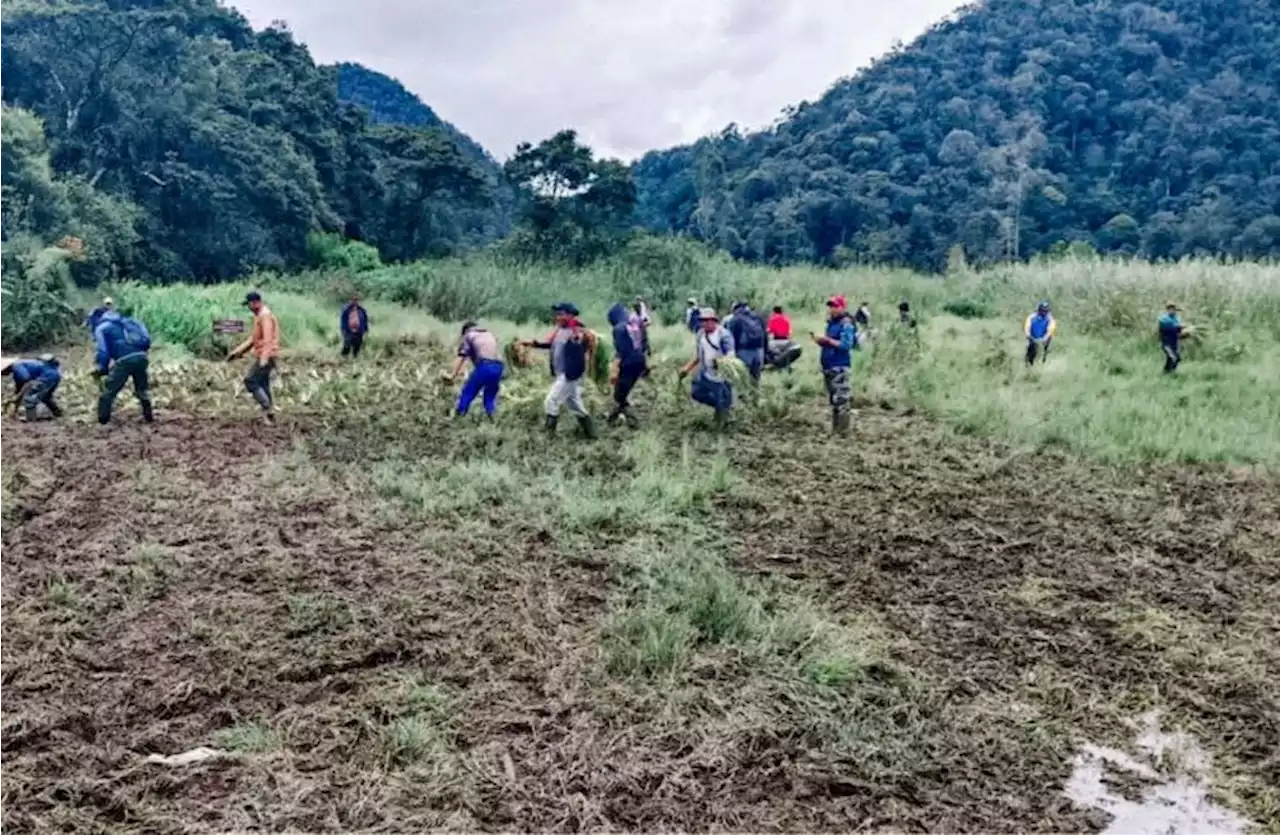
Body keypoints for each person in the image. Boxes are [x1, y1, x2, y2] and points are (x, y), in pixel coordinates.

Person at [520, 302, 597, 438]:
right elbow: (550, 344)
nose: (557, 317)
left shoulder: (576, 331)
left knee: (551, 400)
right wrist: (533, 343)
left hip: (569, 374)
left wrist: (572, 374)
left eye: (560, 314)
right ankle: (592, 434)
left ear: (570, 315)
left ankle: (549, 435)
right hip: (563, 373)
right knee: (574, 404)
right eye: (557, 314)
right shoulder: (560, 330)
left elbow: (580, 346)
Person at [93, 307, 154, 425]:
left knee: (109, 391)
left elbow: (103, 351)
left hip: (124, 360)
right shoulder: (128, 322)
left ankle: (102, 421)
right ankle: (149, 417)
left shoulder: (101, 328)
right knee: (142, 389)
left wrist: (102, 368)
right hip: (142, 357)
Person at [227, 291, 280, 423]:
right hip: (266, 355)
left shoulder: (265, 316)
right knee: (263, 384)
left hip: (266, 355)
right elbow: (253, 339)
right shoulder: (259, 316)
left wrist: (263, 360)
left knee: (250, 380)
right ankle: (269, 414)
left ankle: (268, 407)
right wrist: (237, 352)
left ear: (255, 302)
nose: (249, 308)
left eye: (249, 304)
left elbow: (267, 340)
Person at [680, 308, 736, 429]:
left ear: (714, 321)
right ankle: (720, 407)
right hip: (706, 372)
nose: (704, 323)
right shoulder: (700, 334)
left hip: (722, 375)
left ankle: (724, 418)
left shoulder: (724, 335)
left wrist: (720, 362)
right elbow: (698, 355)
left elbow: (731, 354)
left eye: (707, 321)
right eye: (702, 321)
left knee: (723, 403)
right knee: (696, 393)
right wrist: (687, 368)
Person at [812, 295, 857, 436]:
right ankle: (836, 430)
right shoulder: (832, 323)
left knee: (842, 400)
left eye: (835, 306)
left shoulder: (846, 324)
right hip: (829, 365)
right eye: (831, 306)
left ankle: (843, 432)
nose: (832, 309)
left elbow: (846, 344)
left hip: (840, 366)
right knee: (834, 400)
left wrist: (827, 341)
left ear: (842, 307)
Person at [446, 321, 504, 419]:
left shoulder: (468, 335)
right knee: (489, 396)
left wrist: (452, 375)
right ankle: (494, 418)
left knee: (468, 392)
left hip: (485, 365)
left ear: (465, 331)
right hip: (499, 366)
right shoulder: (488, 334)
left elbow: (462, 357)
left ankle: (459, 417)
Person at [607, 303, 648, 428]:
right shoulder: (635, 325)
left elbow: (621, 351)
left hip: (628, 363)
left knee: (619, 395)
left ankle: (633, 422)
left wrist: (615, 370)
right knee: (623, 392)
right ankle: (612, 419)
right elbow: (644, 344)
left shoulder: (618, 329)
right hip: (640, 361)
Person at [2, 355, 62, 422]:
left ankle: (31, 420)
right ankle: (58, 414)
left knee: (30, 399)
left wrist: (17, 397)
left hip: (46, 377)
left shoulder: (16, 367)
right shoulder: (18, 369)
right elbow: (19, 390)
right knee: (46, 397)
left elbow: (27, 382)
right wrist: (15, 406)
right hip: (55, 375)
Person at [726, 301, 767, 383]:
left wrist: (731, 355)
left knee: (743, 378)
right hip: (759, 350)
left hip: (743, 351)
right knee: (756, 378)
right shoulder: (757, 317)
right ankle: (755, 394)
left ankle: (744, 395)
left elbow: (731, 338)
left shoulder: (734, 319)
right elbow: (765, 336)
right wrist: (765, 353)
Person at [1024, 301, 1056, 365]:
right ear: (1039, 310)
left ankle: (1043, 362)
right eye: (1042, 310)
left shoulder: (1050, 319)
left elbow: (1050, 330)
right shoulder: (1032, 316)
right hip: (1032, 337)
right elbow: (1027, 327)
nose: (1044, 312)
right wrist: (1028, 335)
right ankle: (1028, 363)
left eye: (1045, 311)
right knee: (1030, 353)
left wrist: (1044, 338)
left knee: (1044, 352)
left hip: (1044, 339)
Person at [1159, 302, 1186, 373]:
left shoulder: (1177, 318)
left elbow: (1179, 329)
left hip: (1175, 343)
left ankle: (1167, 372)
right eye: (1170, 309)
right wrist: (1179, 327)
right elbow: (1170, 326)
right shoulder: (1163, 319)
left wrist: (1184, 331)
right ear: (1167, 310)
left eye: (1173, 309)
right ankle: (1169, 372)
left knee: (1175, 358)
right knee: (1173, 357)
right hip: (1166, 343)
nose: (1172, 311)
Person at [340, 294, 369, 359]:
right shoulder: (346, 309)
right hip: (348, 331)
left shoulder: (362, 310)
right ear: (350, 300)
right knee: (347, 345)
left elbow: (365, 320)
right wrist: (344, 329)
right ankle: (343, 358)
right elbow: (343, 320)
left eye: (356, 300)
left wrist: (366, 329)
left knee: (357, 346)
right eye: (353, 300)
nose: (355, 301)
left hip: (359, 331)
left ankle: (354, 359)